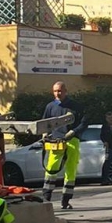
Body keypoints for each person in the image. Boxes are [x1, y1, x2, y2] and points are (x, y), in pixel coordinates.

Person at [41, 81, 86, 209]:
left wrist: (73, 132)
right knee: (51, 169)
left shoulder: (75, 106)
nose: (57, 93)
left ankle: (65, 200)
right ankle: (46, 197)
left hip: (72, 140)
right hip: (55, 141)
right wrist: (45, 134)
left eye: (60, 91)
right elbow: (45, 122)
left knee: (70, 170)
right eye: (55, 91)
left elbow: (84, 122)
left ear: (66, 91)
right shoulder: (50, 106)